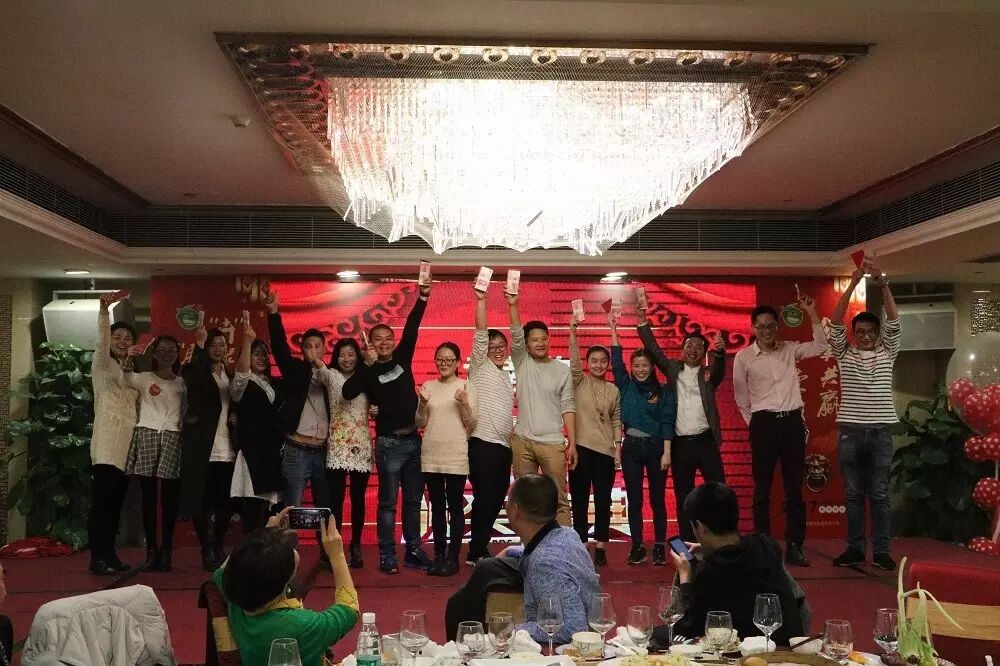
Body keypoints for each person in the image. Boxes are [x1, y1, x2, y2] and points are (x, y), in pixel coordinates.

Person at [343, 277, 434, 574]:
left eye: (388, 339)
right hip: (388, 444)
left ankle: (413, 551)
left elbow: (412, 326)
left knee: (413, 501)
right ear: (370, 343)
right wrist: (366, 365)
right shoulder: (367, 370)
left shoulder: (403, 358)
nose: (384, 343)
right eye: (378, 339)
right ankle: (387, 555)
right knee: (387, 504)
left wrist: (422, 297)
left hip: (413, 440)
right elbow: (348, 393)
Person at [733, 295, 827, 567]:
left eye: (771, 326)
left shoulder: (790, 349)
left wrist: (812, 313)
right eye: (761, 326)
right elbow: (741, 398)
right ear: (753, 328)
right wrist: (756, 424)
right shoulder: (743, 357)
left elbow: (821, 346)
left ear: (778, 327)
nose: (767, 331)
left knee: (794, 488)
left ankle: (795, 546)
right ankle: (763, 546)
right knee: (762, 488)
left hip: (792, 424)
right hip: (763, 424)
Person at [651, 482, 804, 647]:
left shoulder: (708, 572)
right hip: (788, 642)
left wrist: (685, 578)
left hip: (741, 649)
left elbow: (686, 626)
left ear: (700, 527)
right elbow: (739, 549)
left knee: (654, 635)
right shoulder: (768, 545)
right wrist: (709, 547)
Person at [217, 507, 360, 666]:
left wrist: (264, 535)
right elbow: (349, 610)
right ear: (284, 580)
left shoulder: (237, 604)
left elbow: (223, 572)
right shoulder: (299, 624)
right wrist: (337, 555)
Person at [828, 259, 900, 571]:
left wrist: (882, 284)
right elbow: (835, 322)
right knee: (854, 494)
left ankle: (881, 551)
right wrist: (854, 282)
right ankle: (855, 549)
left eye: (871, 331)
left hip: (881, 432)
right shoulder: (845, 353)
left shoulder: (888, 351)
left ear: (878, 333)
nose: (866, 335)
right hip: (851, 433)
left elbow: (894, 320)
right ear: (854, 333)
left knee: (880, 494)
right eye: (860, 331)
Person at [637, 308, 727, 542]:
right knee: (683, 496)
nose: (693, 350)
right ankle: (687, 543)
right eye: (689, 345)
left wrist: (720, 353)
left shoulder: (709, 374)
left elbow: (719, 368)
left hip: (706, 442)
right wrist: (642, 321)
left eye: (699, 347)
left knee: (719, 492)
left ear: (704, 353)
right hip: (680, 445)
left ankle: (720, 540)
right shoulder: (673, 368)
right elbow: (654, 350)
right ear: (682, 349)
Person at [499, 474, 600, 645]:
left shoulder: (544, 564)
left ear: (516, 510)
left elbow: (572, 628)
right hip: (590, 637)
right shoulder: (567, 533)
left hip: (563, 652)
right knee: (487, 567)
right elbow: (549, 549)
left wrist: (513, 629)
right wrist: (511, 551)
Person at [609, 314, 676, 565]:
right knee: (635, 499)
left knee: (657, 499)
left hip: (657, 447)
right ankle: (637, 546)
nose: (640, 369)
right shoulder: (626, 386)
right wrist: (613, 329)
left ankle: (659, 545)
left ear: (651, 367)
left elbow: (667, 421)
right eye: (636, 365)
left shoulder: (664, 391)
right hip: (632, 448)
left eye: (644, 365)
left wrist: (667, 452)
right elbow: (616, 362)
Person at [507, 289, 577, 527]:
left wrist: (572, 443)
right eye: (534, 340)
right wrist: (513, 304)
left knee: (559, 500)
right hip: (523, 441)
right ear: (526, 345)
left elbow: (568, 405)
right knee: (524, 500)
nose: (540, 343)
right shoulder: (522, 362)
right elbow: (516, 334)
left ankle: (564, 546)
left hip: (553, 443)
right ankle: (530, 546)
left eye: (543, 338)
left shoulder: (562, 370)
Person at [120, 335, 186, 572]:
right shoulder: (144, 378)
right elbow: (126, 378)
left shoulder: (183, 383)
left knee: (170, 498)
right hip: (147, 433)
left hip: (173, 436)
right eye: (163, 350)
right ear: (154, 354)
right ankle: (151, 551)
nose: (167, 354)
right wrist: (128, 358)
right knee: (148, 497)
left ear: (177, 354)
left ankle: (166, 551)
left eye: (172, 350)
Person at [265, 291, 335, 515]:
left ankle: (325, 541)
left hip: (323, 451)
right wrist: (274, 313)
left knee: (325, 509)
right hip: (296, 449)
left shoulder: (332, 375)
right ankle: (289, 540)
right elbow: (279, 348)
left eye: (317, 346)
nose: (313, 350)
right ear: (301, 349)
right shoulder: (295, 370)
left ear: (324, 348)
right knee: (292, 508)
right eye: (308, 346)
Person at [87, 291, 138, 575]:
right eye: (118, 337)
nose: (122, 341)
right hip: (107, 445)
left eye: (127, 338)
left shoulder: (130, 372)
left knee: (116, 505)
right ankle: (97, 557)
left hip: (126, 448)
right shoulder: (102, 363)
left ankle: (110, 554)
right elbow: (102, 340)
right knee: (103, 504)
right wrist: (104, 312)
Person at [416, 342, 478, 576]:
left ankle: (453, 557)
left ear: (458, 362)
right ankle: (439, 555)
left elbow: (472, 423)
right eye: (440, 359)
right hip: (431, 454)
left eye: (449, 360)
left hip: (455, 454)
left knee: (455, 507)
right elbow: (420, 422)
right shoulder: (428, 386)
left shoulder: (466, 386)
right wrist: (422, 404)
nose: (444, 364)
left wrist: (463, 402)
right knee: (437, 507)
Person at [181, 325, 237, 572]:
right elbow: (192, 378)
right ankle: (206, 547)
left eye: (222, 344)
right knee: (202, 503)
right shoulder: (197, 372)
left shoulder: (230, 374)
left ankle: (218, 544)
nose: (218, 348)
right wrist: (199, 347)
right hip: (204, 448)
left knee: (225, 502)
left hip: (228, 448)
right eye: (213, 344)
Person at [466, 287, 515, 565]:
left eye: (501, 347)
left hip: (503, 447)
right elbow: (481, 332)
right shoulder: (480, 366)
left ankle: (480, 546)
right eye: (491, 346)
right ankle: (476, 551)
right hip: (482, 443)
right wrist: (482, 300)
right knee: (484, 498)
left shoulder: (505, 376)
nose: (497, 350)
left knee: (497, 499)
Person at [567, 315, 621, 566]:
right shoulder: (579, 381)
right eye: (594, 361)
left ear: (608, 364)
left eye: (603, 361)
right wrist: (572, 332)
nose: (598, 365)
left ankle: (600, 545)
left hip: (605, 452)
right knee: (579, 499)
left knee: (602, 500)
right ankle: (581, 544)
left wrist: (617, 448)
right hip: (580, 449)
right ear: (587, 363)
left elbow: (616, 420)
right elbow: (573, 363)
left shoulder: (613, 390)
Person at [323, 337, 374, 570]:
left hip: (361, 445)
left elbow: (377, 401)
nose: (347, 359)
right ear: (336, 357)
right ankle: (334, 547)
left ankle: (356, 544)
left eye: (351, 354)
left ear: (358, 356)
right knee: (335, 499)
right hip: (337, 445)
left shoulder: (366, 376)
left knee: (358, 498)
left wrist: (376, 408)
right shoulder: (330, 375)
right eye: (342, 354)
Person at [229, 320, 284, 534]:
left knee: (270, 508)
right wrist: (247, 341)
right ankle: (252, 547)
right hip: (252, 451)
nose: (262, 358)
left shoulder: (273, 383)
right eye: (256, 354)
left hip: (272, 451)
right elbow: (241, 373)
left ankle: (269, 549)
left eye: (264, 354)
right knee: (252, 504)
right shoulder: (242, 383)